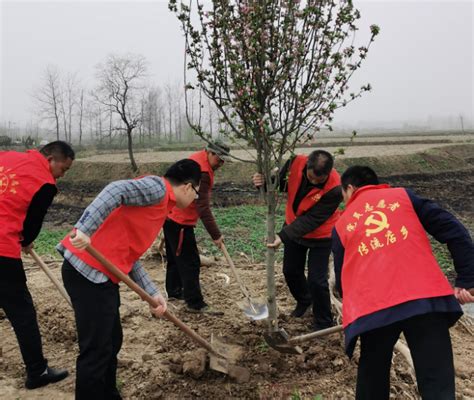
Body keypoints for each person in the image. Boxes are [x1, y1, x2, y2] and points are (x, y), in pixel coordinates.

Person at [57, 159, 201, 400]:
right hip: (87, 272)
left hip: (101, 276)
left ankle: (109, 394)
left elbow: (129, 256)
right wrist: (85, 229)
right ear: (187, 187)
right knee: (96, 350)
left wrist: (152, 293)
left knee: (112, 341)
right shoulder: (158, 189)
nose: (195, 199)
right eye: (197, 193)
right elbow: (116, 189)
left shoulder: (162, 205)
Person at [332, 165, 474, 400]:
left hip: (374, 308)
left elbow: (342, 281)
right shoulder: (404, 197)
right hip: (425, 300)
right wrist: (467, 279)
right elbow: (454, 230)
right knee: (436, 381)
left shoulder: (341, 224)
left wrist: (356, 311)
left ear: (349, 188)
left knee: (372, 378)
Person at [0, 141, 74, 389]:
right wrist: (25, 240)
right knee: (22, 314)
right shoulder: (44, 181)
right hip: (2, 249)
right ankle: (37, 371)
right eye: (63, 170)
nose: (62, 176)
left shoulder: (6, 156)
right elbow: (32, 225)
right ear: (51, 159)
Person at [252, 150, 342, 330]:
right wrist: (264, 182)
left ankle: (323, 322)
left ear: (329, 173)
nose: (314, 182)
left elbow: (313, 219)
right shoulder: (295, 163)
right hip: (294, 225)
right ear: (307, 165)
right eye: (311, 177)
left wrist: (283, 235)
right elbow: (281, 185)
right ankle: (305, 301)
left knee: (317, 281)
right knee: (291, 271)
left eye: (319, 180)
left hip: (321, 234)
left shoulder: (335, 188)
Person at [164, 140, 230, 314]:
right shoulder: (203, 173)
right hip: (180, 222)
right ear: (210, 152)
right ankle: (195, 303)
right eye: (219, 159)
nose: (221, 164)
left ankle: (174, 291)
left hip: (170, 216)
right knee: (190, 262)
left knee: (175, 258)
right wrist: (216, 235)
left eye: (224, 160)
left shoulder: (196, 159)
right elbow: (203, 208)